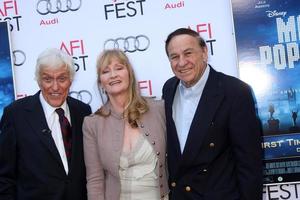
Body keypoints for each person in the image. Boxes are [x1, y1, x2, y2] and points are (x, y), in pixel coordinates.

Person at [162, 28, 262, 200]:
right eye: (174, 57)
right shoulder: (169, 88)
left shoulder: (235, 92)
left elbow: (249, 165)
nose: (182, 62)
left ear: (204, 52)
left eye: (188, 53)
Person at [0, 48, 92, 200]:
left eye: (62, 79)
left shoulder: (83, 111)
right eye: (48, 79)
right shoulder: (15, 114)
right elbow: (4, 177)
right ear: (38, 80)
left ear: (71, 79)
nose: (55, 87)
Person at [83, 49, 169, 200]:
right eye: (105, 71)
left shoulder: (158, 109)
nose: (113, 75)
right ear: (101, 83)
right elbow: (95, 179)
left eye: (119, 68)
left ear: (129, 74)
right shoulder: (92, 123)